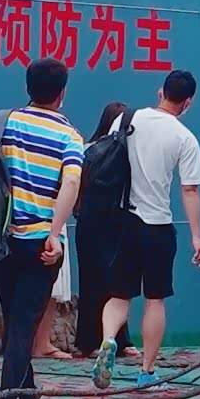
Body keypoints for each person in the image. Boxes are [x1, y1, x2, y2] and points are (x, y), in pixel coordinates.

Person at [0, 59, 82, 399]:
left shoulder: (2, 122)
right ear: (62, 93)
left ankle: (27, 394)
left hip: (2, 239)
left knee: (15, 321)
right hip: (42, 242)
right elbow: (72, 183)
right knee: (22, 325)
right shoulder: (69, 136)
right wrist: (56, 234)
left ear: (28, 87)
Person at [106, 70, 200, 373]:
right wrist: (197, 237)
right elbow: (189, 190)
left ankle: (109, 340)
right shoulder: (184, 137)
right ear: (188, 102)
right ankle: (147, 370)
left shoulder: (125, 120)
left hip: (124, 219)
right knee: (154, 300)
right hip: (158, 226)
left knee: (118, 296)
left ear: (159, 92)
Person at [71, 100, 142, 377]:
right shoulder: (127, 152)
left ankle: (85, 342)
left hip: (89, 223)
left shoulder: (87, 150)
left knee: (90, 281)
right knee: (118, 284)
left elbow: (78, 185)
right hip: (118, 222)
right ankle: (120, 340)